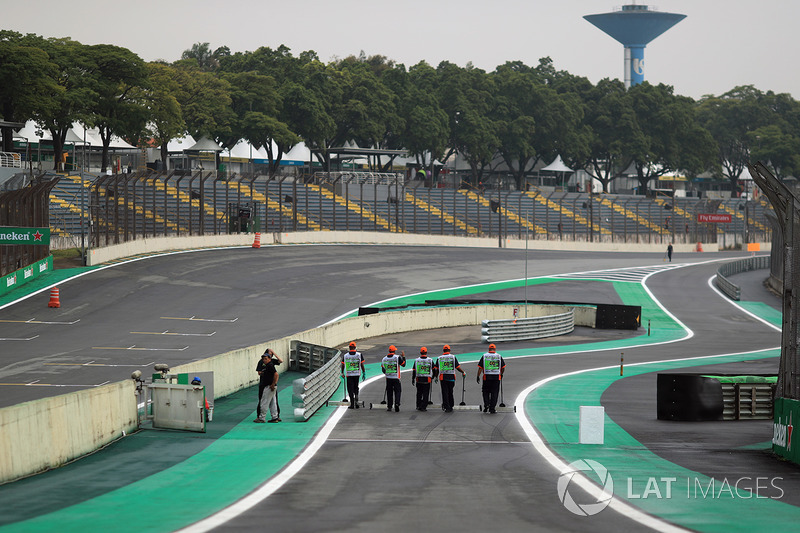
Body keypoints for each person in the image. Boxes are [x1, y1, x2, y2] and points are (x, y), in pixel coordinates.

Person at [255, 348, 283, 423]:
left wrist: (272, 384)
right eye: (263, 359)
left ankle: (261, 418)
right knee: (273, 402)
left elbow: (276, 375)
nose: (264, 360)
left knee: (264, 402)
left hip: (268, 386)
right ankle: (275, 417)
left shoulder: (270, 365)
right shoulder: (268, 365)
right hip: (272, 386)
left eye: (266, 359)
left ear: (270, 359)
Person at [435, 345, 466, 412]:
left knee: (445, 392)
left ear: (443, 350)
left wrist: (436, 377)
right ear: (449, 350)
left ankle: (447, 406)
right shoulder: (453, 357)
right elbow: (457, 367)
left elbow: (437, 369)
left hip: (443, 377)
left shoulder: (439, 358)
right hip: (451, 377)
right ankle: (451, 405)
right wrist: (463, 372)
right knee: (450, 391)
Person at [476, 343, 506, 414]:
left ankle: (486, 405)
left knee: (485, 392)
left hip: (486, 377)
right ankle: (492, 408)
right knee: (494, 393)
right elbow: (503, 367)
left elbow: (480, 368)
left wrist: (478, 376)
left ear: (489, 349)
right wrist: (501, 374)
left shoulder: (484, 356)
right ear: (495, 349)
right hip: (496, 377)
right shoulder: (498, 356)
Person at [381, 345, 406, 412]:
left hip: (388, 378)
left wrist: (387, 373)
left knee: (389, 392)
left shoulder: (384, 359)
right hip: (396, 378)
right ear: (394, 351)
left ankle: (389, 406)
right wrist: (403, 356)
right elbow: (403, 364)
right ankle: (397, 403)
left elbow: (383, 370)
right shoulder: (397, 357)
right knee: (398, 391)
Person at [412, 346, 437, 411]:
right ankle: (423, 407)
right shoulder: (430, 360)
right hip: (427, 379)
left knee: (419, 393)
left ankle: (418, 405)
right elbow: (434, 370)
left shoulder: (417, 360)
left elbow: (414, 370)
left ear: (420, 352)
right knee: (426, 393)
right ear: (426, 352)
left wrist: (413, 379)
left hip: (419, 379)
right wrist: (433, 376)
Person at [341, 341, 365, 409]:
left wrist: (342, 372)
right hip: (357, 374)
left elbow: (343, 364)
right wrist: (364, 372)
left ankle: (352, 404)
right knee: (355, 386)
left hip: (349, 374)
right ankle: (356, 396)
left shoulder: (345, 355)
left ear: (349, 347)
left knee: (350, 389)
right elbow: (361, 364)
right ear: (355, 347)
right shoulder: (359, 354)